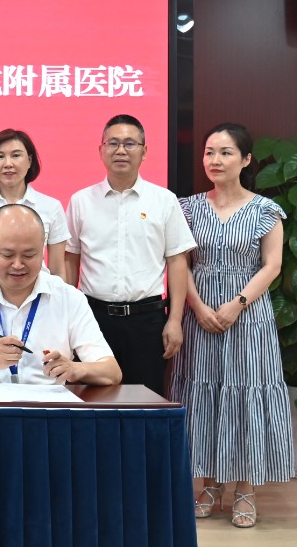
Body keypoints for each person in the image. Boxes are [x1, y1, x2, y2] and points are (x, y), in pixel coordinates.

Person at [172, 122, 291, 528]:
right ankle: (208, 484)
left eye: (225, 152)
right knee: (203, 394)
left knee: (244, 395)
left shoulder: (265, 210)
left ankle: (244, 488)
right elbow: (179, 262)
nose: (215, 160)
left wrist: (237, 304)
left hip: (248, 317)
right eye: (209, 152)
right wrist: (198, 306)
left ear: (246, 160)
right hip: (199, 313)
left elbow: (272, 265)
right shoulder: (187, 208)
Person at [64, 114, 197, 396]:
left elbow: (177, 261)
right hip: (93, 319)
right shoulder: (80, 201)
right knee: (92, 400)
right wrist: (66, 318)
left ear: (144, 151)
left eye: (129, 143)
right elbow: (71, 260)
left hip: (146, 322)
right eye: (113, 143)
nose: (121, 150)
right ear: (101, 150)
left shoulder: (164, 200)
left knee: (144, 401)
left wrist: (174, 320)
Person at [0, 204, 120, 386]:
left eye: (29, 255)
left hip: (48, 404)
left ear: (43, 247)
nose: (17, 265)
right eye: (7, 255)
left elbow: (111, 372)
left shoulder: (69, 298)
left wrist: (75, 369)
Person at [0, 128, 70, 280]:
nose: (8, 164)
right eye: (0, 156)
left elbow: (58, 272)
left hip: (38, 293)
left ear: (29, 160)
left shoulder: (51, 207)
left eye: (16, 155)